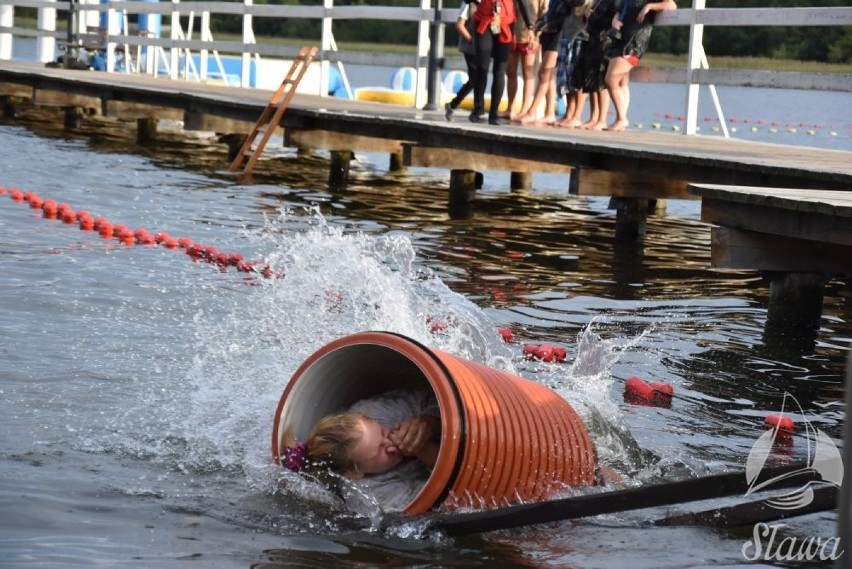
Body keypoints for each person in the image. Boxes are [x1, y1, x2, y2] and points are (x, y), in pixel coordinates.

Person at [280, 389, 441, 512]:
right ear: (355, 473)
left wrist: (427, 423)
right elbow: (445, 496)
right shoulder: (373, 498)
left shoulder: (377, 412)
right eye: (380, 450)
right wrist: (423, 449)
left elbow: (434, 396)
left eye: (384, 432)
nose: (390, 441)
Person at [603, 0, 676, 131]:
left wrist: (649, 6)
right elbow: (620, 10)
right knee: (621, 82)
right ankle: (621, 119)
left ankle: (622, 119)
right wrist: (615, 19)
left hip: (635, 43)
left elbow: (671, 5)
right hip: (621, 40)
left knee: (610, 79)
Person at [516, 0, 587, 126]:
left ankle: (532, 111)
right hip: (550, 32)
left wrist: (551, 24)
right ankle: (550, 112)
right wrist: (541, 23)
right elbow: (551, 11)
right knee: (550, 76)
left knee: (545, 73)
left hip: (561, 34)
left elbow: (571, 11)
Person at [469, 0, 534, 125]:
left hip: (505, 23)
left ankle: (494, 113)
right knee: (482, 67)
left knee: (500, 70)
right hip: (484, 20)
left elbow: (523, 2)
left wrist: (530, 26)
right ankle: (478, 108)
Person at [503, 0, 548, 120]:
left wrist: (537, 35)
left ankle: (524, 109)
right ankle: (510, 107)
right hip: (512, 33)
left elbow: (544, 13)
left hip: (529, 35)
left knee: (528, 72)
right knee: (510, 70)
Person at [576, 0, 617, 130]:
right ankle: (593, 117)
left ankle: (602, 119)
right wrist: (586, 16)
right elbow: (589, 19)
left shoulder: (614, 2)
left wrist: (592, 16)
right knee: (591, 81)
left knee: (601, 82)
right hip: (592, 40)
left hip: (604, 41)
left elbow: (612, 22)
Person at [445, 1, 478, 121]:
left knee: (476, 79)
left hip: (482, 47)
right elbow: (460, 25)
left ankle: (453, 104)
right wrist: (471, 40)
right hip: (470, 47)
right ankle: (476, 109)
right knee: (476, 78)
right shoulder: (468, 4)